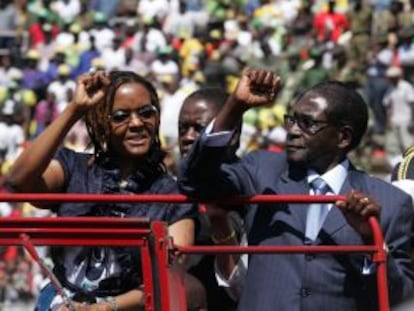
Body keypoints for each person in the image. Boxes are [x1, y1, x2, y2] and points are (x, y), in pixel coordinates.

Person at [178, 69, 414, 310]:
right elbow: (193, 181)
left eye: (308, 123)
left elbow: (401, 298)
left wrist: (369, 241)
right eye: (291, 119)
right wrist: (235, 106)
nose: (292, 131)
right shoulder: (262, 169)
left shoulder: (390, 202)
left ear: (343, 137)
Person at [6, 70, 196, 311]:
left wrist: (107, 307)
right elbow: (18, 181)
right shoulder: (74, 168)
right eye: (121, 116)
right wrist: (75, 109)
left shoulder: (174, 195)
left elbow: (171, 276)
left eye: (146, 113)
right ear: (101, 123)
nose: (137, 123)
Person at [178, 87, 243, 309]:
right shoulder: (168, 186)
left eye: (199, 129)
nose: (188, 137)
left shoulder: (252, 187)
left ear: (231, 135)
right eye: (183, 129)